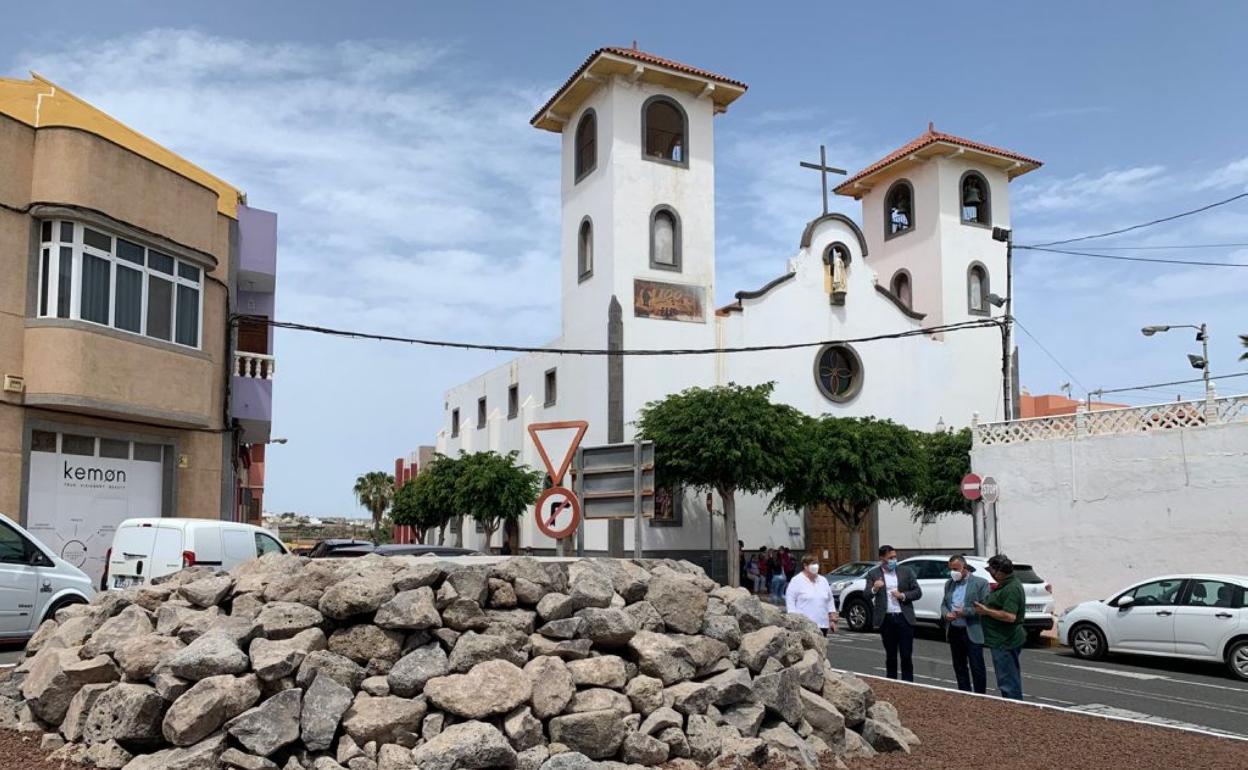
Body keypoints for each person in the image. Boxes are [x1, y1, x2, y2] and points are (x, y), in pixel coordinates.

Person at [864, 545, 921, 681]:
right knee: (891, 655)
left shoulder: (905, 571)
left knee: (906, 654)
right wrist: (874, 588)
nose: (893, 560)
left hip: (904, 617)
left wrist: (902, 595)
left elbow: (917, 592)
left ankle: (908, 683)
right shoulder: (874, 574)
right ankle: (891, 681)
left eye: (895, 557)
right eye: (890, 558)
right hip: (887, 618)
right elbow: (866, 595)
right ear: (882, 558)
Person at [974, 554, 1027, 700]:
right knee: (1006, 677)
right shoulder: (1005, 585)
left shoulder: (1011, 588)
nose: (990, 574)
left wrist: (986, 611)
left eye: (991, 571)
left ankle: (1014, 709)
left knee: (1008, 680)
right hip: (1000, 639)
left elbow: (1010, 616)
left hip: (1005, 641)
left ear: (1000, 572)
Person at [941, 554, 989, 693]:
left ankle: (980, 695)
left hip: (972, 629)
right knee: (959, 665)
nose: (953, 572)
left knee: (977, 665)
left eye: (956, 569)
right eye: (951, 569)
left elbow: (984, 608)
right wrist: (946, 614)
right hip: (955, 629)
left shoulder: (980, 583)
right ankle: (964, 692)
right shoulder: (949, 584)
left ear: (965, 567)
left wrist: (965, 611)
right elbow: (944, 604)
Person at [786, 554, 838, 634]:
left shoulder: (823, 580)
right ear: (805, 566)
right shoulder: (796, 580)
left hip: (822, 624)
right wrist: (794, 618)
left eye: (817, 564)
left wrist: (832, 619)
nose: (816, 566)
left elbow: (830, 600)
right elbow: (790, 600)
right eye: (813, 564)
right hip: (805, 626)